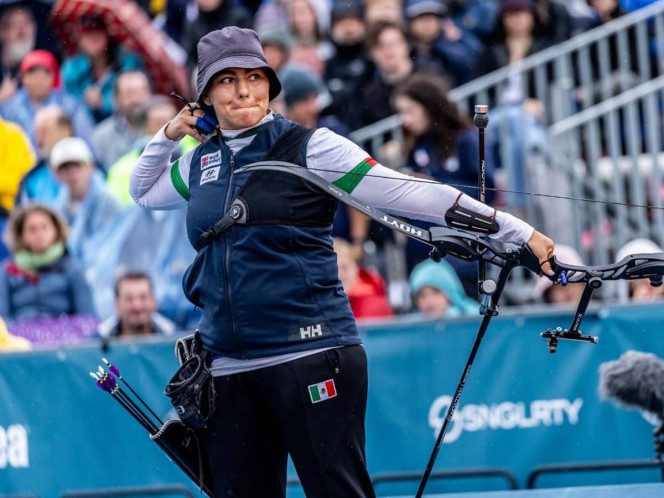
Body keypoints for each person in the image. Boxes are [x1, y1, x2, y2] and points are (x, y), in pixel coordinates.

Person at [130, 26, 555, 496]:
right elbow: (143, 190)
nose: (243, 89)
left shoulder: (312, 147)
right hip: (229, 367)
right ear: (204, 95)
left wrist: (518, 232)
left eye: (253, 76)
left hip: (310, 354)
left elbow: (411, 192)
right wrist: (170, 133)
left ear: (271, 86)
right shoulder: (199, 162)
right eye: (226, 80)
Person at [0, 204, 96, 321]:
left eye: (44, 227)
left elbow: (87, 316)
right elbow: (3, 318)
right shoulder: (7, 272)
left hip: (67, 336)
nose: (39, 235)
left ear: (56, 230)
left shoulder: (71, 267)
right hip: (19, 336)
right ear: (21, 235)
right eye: (32, 229)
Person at [49, 137, 121, 268]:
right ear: (56, 174)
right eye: (65, 168)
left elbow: (110, 250)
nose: (72, 173)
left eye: (77, 166)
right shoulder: (56, 208)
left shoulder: (107, 203)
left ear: (90, 167)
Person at [0, 49, 95, 149]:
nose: (39, 78)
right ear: (23, 78)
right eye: (33, 73)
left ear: (54, 77)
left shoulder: (71, 105)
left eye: (46, 72)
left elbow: (87, 142)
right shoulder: (8, 108)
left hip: (63, 159)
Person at [61, 14, 143, 123]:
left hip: (124, 123)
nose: (94, 38)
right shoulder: (71, 68)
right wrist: (85, 101)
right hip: (86, 127)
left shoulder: (127, 60)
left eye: (97, 31)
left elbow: (136, 99)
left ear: (107, 34)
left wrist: (103, 103)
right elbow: (69, 105)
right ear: (79, 40)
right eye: (87, 34)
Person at [91, 71, 153, 171]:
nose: (136, 99)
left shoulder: (164, 128)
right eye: (129, 93)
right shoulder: (101, 136)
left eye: (142, 92)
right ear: (116, 99)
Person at [15, 105, 72, 206]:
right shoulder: (32, 176)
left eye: (45, 132)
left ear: (65, 131)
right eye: (37, 133)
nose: (39, 140)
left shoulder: (86, 167)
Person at [97, 270, 177, 338]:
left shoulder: (175, 340)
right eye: (129, 299)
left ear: (154, 301)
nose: (137, 306)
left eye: (143, 297)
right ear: (117, 304)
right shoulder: (95, 345)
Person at [334, 238, 393, 320]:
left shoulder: (376, 306)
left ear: (356, 269)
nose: (339, 275)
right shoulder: (315, 305)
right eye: (333, 270)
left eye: (345, 268)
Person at [409, 258, 478, 318]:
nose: (429, 300)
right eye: (422, 296)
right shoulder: (414, 325)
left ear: (450, 291)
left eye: (435, 293)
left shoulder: (477, 317)